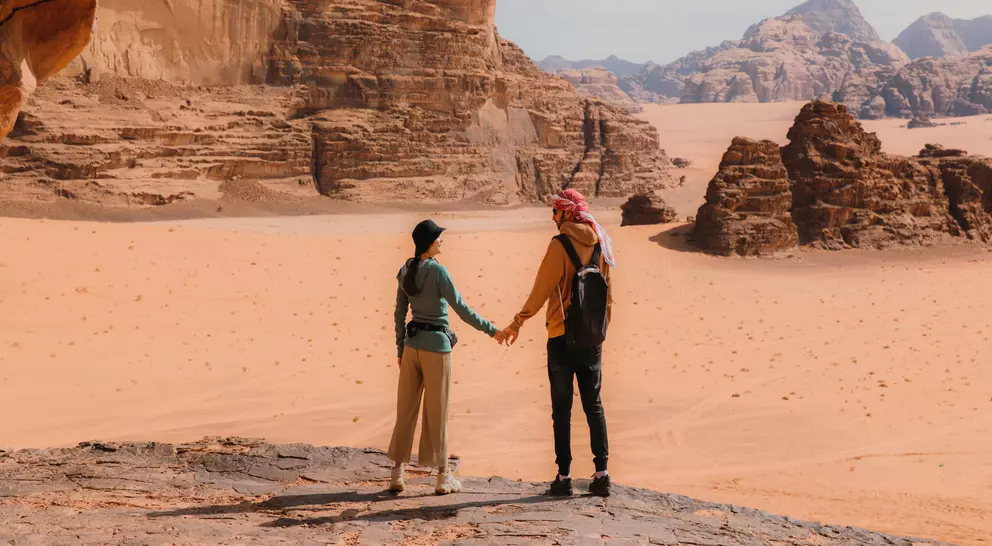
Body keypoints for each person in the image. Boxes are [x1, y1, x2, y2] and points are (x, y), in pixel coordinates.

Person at [501, 189, 614, 497]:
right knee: (594, 404)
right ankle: (602, 474)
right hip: (592, 338)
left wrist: (518, 322)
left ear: (566, 213)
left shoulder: (560, 244)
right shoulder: (602, 243)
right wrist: (599, 330)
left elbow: (541, 289)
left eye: (555, 211)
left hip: (561, 337)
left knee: (561, 409)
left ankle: (563, 478)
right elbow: (608, 295)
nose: (552, 217)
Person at [390, 219, 506, 495]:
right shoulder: (438, 272)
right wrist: (493, 331)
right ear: (429, 242)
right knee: (437, 411)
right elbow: (461, 309)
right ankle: (443, 477)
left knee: (405, 410)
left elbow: (398, 314)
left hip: (411, 347)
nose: (442, 241)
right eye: (439, 238)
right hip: (437, 349)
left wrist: (399, 349)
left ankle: (397, 473)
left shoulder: (405, 269)